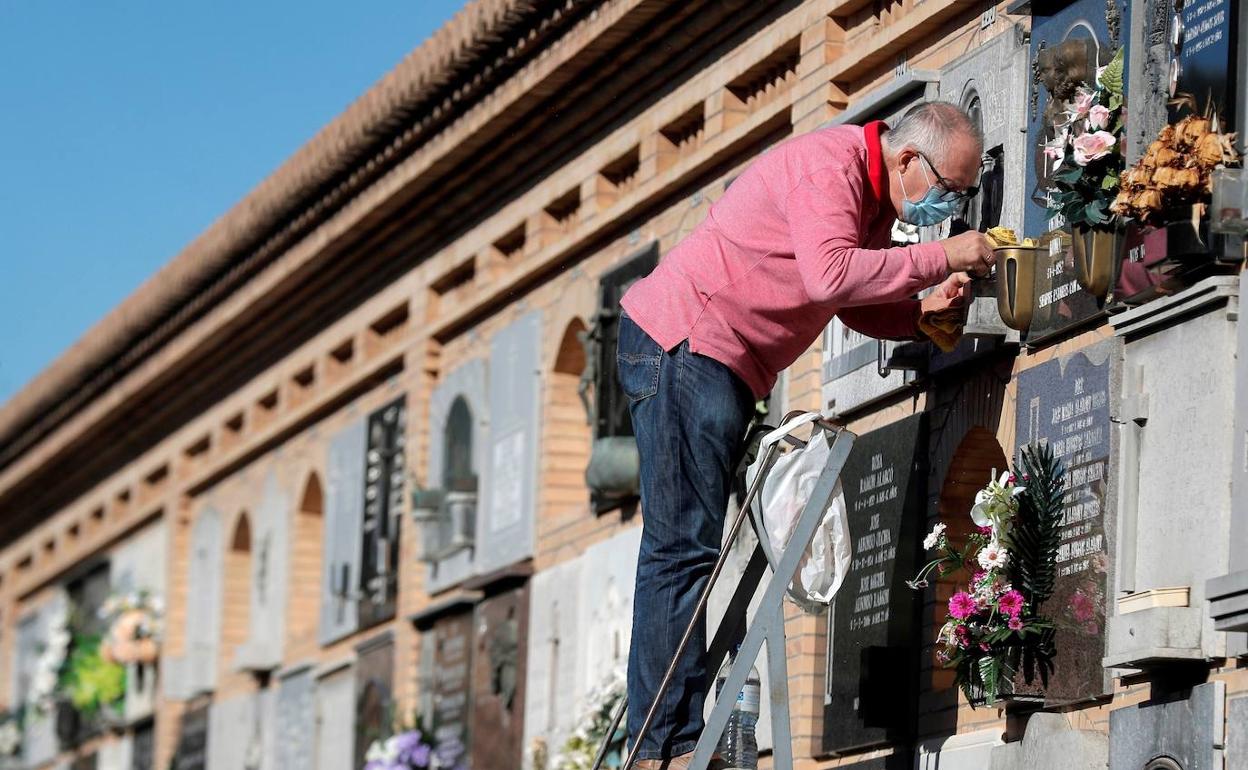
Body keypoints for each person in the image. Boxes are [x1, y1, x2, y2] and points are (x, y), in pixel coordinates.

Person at [616, 101, 993, 769]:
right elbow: (831, 275)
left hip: (718, 363)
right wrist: (940, 258)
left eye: (962, 195)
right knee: (680, 550)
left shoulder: (872, 199)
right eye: (950, 188)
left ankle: (666, 737)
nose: (953, 204)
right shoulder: (833, 166)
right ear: (908, 159)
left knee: (691, 549)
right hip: (686, 344)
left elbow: (845, 297)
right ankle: (659, 750)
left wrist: (917, 316)